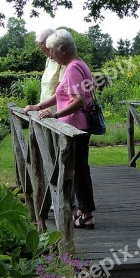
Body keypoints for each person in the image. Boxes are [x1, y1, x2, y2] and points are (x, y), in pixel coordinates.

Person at [24, 29, 96, 229]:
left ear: (63, 49)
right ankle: (83, 211)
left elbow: (78, 100)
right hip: (79, 126)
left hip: (75, 127)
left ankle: (86, 214)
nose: (51, 55)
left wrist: (55, 114)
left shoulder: (72, 69)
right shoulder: (78, 64)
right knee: (79, 170)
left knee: (78, 171)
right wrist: (39, 107)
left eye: (53, 51)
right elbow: (61, 94)